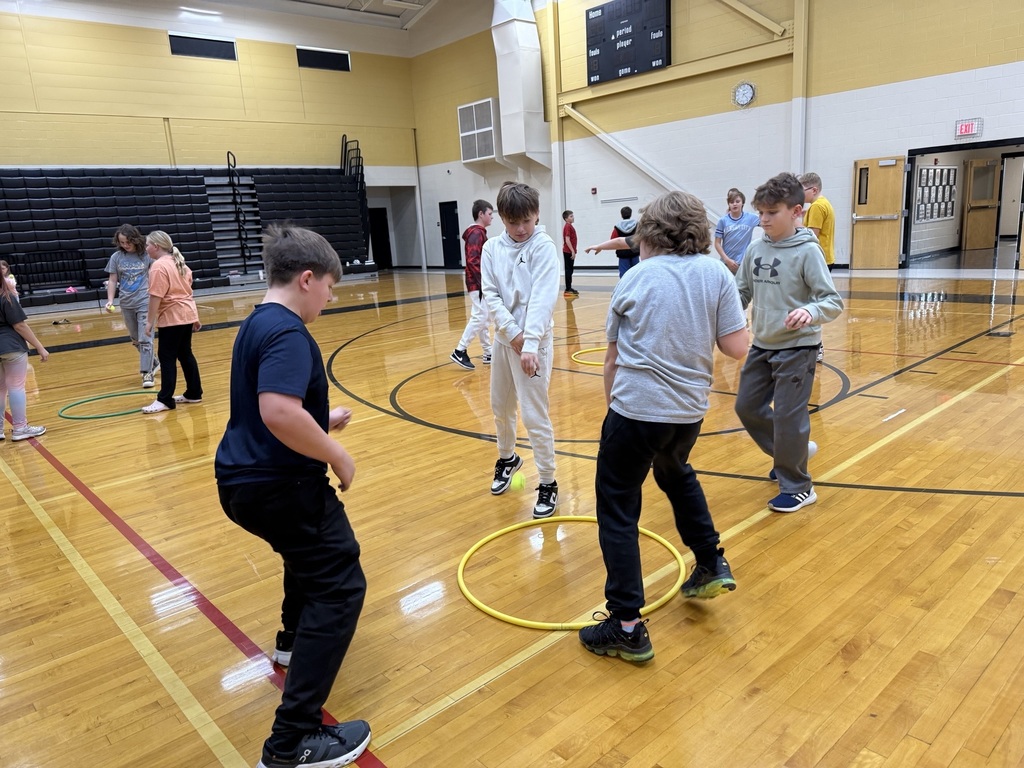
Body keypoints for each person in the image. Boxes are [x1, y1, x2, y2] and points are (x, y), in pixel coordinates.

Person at [215, 224, 370, 768]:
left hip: (244, 481)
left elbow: (272, 408)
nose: (330, 298)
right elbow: (277, 411)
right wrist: (335, 453)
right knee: (342, 583)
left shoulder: (257, 323)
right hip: (281, 486)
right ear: (307, 279)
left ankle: (290, 639)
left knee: (306, 557)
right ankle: (292, 743)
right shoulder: (289, 333)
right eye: (329, 286)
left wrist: (319, 420)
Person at [576, 191, 748, 663]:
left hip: (636, 414)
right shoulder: (715, 273)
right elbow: (737, 347)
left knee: (617, 506)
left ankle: (626, 625)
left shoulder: (636, 277)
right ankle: (711, 560)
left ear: (649, 233)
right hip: (688, 416)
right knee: (674, 472)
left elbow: (612, 360)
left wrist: (614, 411)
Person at [735, 172, 844, 513]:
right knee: (746, 407)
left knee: (788, 415)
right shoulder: (755, 248)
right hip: (763, 344)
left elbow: (831, 301)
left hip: (798, 347)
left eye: (772, 213)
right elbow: (740, 292)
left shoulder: (808, 252)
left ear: (796, 211)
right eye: (761, 213)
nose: (764, 220)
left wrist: (810, 312)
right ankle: (789, 452)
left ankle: (798, 485)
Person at [481, 181, 561, 519]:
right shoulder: (492, 248)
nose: (520, 229)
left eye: (526, 221)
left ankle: (548, 481)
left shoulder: (544, 246)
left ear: (537, 214)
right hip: (504, 341)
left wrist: (528, 342)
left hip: (535, 345)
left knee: (533, 414)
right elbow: (490, 293)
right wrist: (511, 333)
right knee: (500, 407)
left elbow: (543, 298)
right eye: (513, 222)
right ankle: (508, 457)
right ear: (502, 218)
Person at [142, 231, 203, 413]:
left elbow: (156, 296)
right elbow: (187, 292)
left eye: (147, 245)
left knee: (167, 357)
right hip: (186, 314)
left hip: (172, 317)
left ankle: (165, 399)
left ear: (156, 246)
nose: (145, 249)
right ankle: (194, 392)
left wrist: (149, 321)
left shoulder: (159, 266)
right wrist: (195, 316)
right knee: (185, 354)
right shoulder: (178, 262)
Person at [105, 224, 158, 388]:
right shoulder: (116, 257)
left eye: (128, 242)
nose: (125, 245)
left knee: (145, 338)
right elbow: (113, 280)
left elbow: (156, 274)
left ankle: (146, 373)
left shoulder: (146, 256)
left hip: (145, 302)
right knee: (136, 339)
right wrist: (110, 300)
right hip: (126, 303)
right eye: (122, 242)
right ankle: (154, 362)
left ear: (135, 240)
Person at [0, 267, 48, 441]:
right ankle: (20, 428)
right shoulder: (6, 297)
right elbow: (19, 325)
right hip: (11, 347)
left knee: (0, 388)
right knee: (15, 387)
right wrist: (40, 347)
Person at [450, 199, 494, 370]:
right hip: (477, 283)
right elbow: (473, 260)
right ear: (481, 214)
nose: (492, 217)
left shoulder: (478, 232)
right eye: (490, 214)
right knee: (480, 316)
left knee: (483, 316)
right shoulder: (476, 233)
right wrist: (483, 282)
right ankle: (459, 350)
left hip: (476, 282)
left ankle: (488, 352)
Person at [798, 172, 836, 363]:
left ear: (813, 189)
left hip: (817, 260)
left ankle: (816, 345)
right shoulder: (824, 204)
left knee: (810, 303)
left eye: (801, 190)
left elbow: (811, 235)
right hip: (826, 258)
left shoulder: (817, 207)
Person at [714, 188, 759, 275]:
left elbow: (768, 223)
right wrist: (727, 260)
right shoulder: (723, 221)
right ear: (728, 204)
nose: (734, 204)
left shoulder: (751, 218)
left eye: (737, 201)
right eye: (731, 202)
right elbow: (717, 243)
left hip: (743, 264)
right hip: (726, 264)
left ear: (742, 203)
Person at [611, 206, 639, 276]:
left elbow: (612, 239)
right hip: (634, 252)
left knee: (624, 274)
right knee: (636, 273)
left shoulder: (617, 227)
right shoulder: (637, 225)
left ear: (621, 215)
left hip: (622, 254)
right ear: (631, 214)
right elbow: (641, 236)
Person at [561, 210, 578, 296]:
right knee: (568, 270)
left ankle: (569, 287)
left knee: (570, 270)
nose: (573, 217)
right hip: (568, 251)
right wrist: (572, 251)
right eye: (571, 216)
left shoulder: (570, 226)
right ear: (566, 219)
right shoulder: (568, 226)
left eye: (572, 216)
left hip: (569, 251)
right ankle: (568, 288)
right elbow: (567, 239)